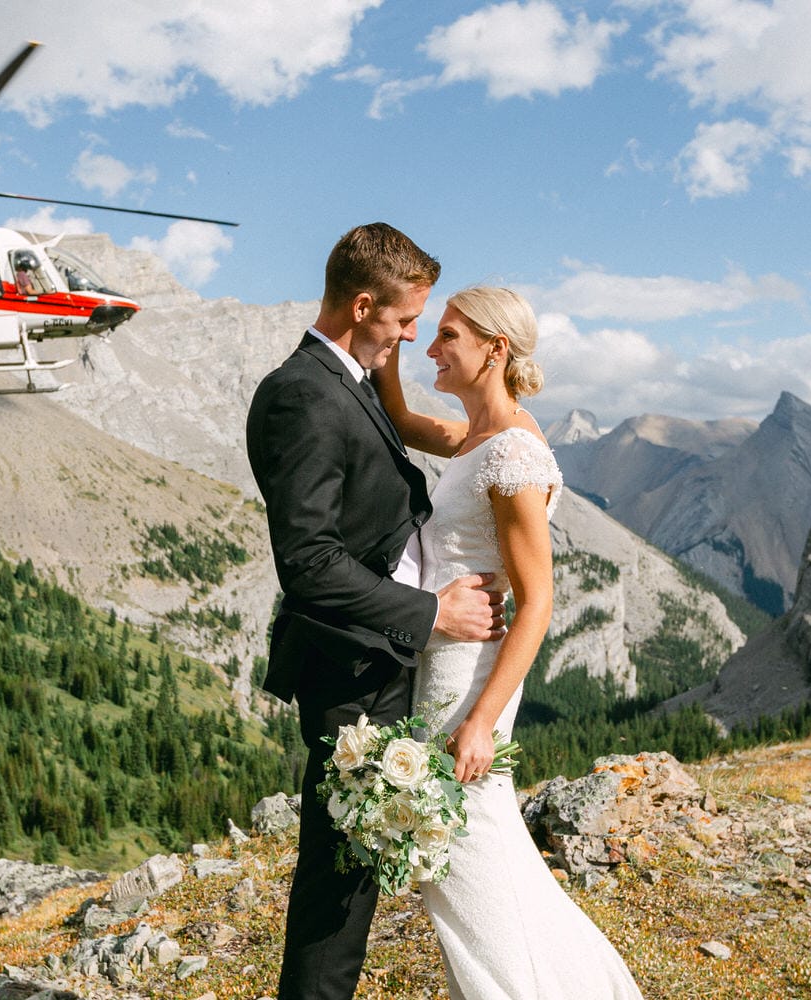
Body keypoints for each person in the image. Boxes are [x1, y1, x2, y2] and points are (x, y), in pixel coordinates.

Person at [245, 224, 508, 1000]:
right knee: (337, 887)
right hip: (350, 671)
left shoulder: (349, 380)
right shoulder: (301, 395)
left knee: (350, 879)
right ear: (363, 307)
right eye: (401, 322)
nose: (410, 336)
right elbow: (310, 563)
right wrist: (432, 614)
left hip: (377, 662)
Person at [373, 285, 644, 998]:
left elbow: (540, 601)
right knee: (468, 857)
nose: (431, 347)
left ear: (495, 349)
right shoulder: (478, 439)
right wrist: (390, 339)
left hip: (469, 680)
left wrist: (482, 723)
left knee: (460, 857)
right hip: (442, 665)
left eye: (447, 336)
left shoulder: (515, 453)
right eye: (427, 334)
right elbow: (398, 418)